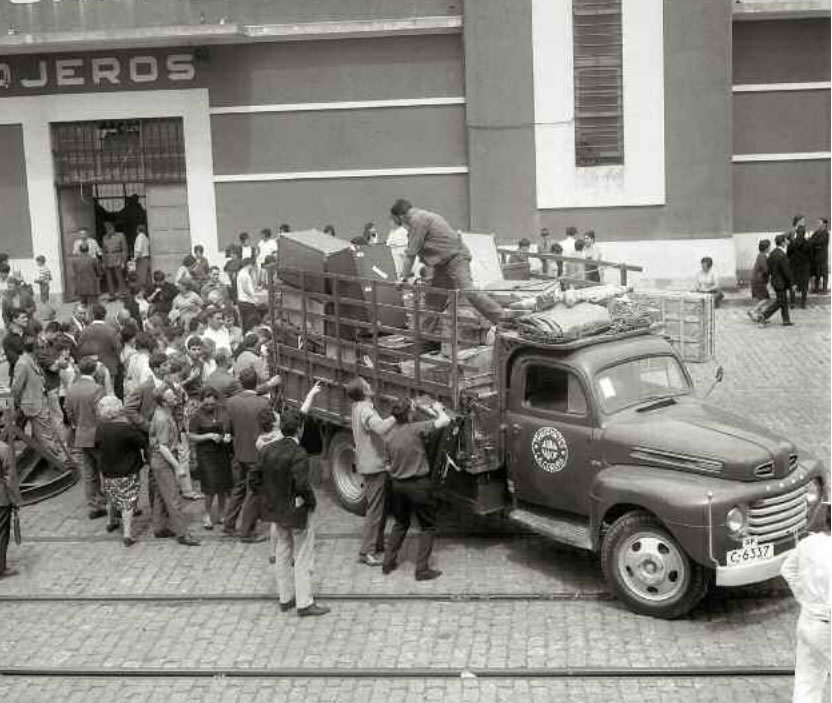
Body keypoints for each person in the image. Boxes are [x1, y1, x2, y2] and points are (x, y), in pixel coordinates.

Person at [251, 406, 329, 616]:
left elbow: (254, 479)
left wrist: (268, 497)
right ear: (300, 429)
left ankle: (285, 598)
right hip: (295, 511)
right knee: (302, 555)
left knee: (282, 551)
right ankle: (304, 603)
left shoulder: (267, 450)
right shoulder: (298, 453)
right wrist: (311, 502)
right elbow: (302, 485)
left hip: (276, 511)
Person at [391, 199, 504, 324]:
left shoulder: (417, 220)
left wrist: (402, 278)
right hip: (443, 263)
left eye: (395, 220)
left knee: (468, 290)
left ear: (401, 216)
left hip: (456, 258)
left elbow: (410, 254)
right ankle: (426, 337)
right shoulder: (423, 216)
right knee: (434, 298)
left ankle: (501, 319)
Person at [382, 397, 451, 580]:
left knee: (400, 523)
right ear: (410, 414)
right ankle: (421, 570)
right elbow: (445, 421)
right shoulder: (416, 429)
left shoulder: (388, 437)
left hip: (397, 486)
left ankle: (388, 563)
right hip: (419, 485)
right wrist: (438, 409)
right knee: (428, 526)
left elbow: (387, 466)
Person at [780, 504, 830, 703]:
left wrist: (803, 597)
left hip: (807, 620)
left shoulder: (809, 543)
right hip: (827, 626)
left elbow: (787, 570)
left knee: (807, 683)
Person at [347, 377, 395, 566]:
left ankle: (377, 543)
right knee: (374, 511)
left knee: (378, 508)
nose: (370, 386)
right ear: (364, 392)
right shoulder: (366, 410)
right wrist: (396, 416)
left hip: (368, 464)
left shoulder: (357, 407)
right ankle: (366, 552)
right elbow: (381, 428)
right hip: (374, 467)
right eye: (367, 385)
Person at [224, 368, 272, 541]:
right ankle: (246, 531)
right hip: (256, 455)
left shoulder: (231, 403)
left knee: (239, 488)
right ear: (256, 382)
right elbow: (269, 428)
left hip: (239, 452)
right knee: (253, 494)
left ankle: (229, 523)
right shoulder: (263, 404)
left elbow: (227, 428)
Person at [149, 386, 200, 546]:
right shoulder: (162, 419)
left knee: (159, 495)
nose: (175, 398)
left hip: (159, 460)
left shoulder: (163, 412)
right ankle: (182, 533)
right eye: (171, 397)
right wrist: (177, 466)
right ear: (164, 402)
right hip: (163, 461)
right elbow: (163, 447)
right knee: (172, 498)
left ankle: (159, 527)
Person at [95, 395, 146, 546]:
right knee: (128, 503)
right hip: (127, 471)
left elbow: (97, 446)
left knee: (111, 498)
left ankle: (111, 521)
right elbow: (141, 442)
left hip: (108, 470)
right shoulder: (126, 428)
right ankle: (127, 534)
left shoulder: (101, 428)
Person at [65, 355, 107, 518]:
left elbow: (68, 412)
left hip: (81, 434)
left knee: (89, 472)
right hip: (97, 435)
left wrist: (76, 424)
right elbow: (101, 413)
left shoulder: (71, 389)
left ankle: (93, 505)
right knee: (106, 470)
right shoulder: (97, 389)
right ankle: (112, 502)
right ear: (95, 370)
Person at [189, 387, 234, 530]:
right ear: (201, 401)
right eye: (206, 404)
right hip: (206, 453)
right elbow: (191, 435)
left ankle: (222, 513)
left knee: (223, 484)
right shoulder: (196, 416)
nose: (209, 406)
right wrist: (208, 436)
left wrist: (228, 436)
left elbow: (229, 429)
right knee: (210, 485)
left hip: (222, 451)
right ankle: (207, 514)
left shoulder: (222, 410)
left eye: (212, 404)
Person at [77, 303, 122, 392]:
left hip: (91, 369)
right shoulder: (111, 331)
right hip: (109, 368)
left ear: (92, 315)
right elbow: (118, 348)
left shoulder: (85, 331)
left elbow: (79, 349)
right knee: (108, 394)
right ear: (104, 315)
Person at [761, 234, 794, 326]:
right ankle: (764, 315)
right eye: (786, 240)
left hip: (775, 281)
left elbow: (769, 268)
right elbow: (786, 272)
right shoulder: (782, 255)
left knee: (783, 300)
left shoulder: (773, 253)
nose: (788, 242)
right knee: (780, 301)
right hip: (781, 282)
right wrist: (792, 283)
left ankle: (786, 320)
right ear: (783, 242)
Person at [0, 439, 20, 580]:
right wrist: (14, 499)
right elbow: (9, 477)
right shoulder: (3, 449)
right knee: (2, 534)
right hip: (1, 499)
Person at [788, 225, 812, 309]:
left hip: (794, 267)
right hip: (805, 267)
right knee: (804, 286)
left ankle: (792, 303)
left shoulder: (792, 242)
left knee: (793, 284)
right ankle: (803, 303)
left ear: (797, 233)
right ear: (804, 233)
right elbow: (811, 256)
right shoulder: (808, 243)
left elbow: (788, 254)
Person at [748, 239, 772, 324]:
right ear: (766, 248)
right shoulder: (762, 256)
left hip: (756, 279)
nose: (770, 248)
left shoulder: (760, 255)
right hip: (759, 280)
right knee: (765, 298)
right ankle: (753, 311)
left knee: (760, 299)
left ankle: (760, 316)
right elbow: (766, 269)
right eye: (769, 246)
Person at [101, 222, 128, 298]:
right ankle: (111, 294)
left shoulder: (120, 236)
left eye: (110, 228)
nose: (108, 230)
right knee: (109, 278)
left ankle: (122, 292)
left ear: (113, 228)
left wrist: (123, 261)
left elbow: (124, 249)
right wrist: (103, 262)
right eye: (107, 229)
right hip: (108, 258)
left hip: (117, 257)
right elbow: (103, 251)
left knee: (119, 276)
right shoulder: (104, 237)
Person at [3, 308, 28, 380]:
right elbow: (13, 360)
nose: (26, 319)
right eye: (23, 317)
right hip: (18, 377)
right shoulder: (8, 340)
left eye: (27, 317)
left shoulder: (29, 335)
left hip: (34, 378)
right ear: (14, 319)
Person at [236, 257, 260, 333]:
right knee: (250, 322)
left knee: (245, 321)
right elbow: (245, 288)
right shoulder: (244, 274)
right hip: (247, 301)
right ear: (249, 265)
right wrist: (254, 298)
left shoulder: (241, 273)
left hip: (243, 301)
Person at [809, 217, 829, 294]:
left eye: (819, 222)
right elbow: (811, 240)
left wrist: (812, 243)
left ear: (824, 224)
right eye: (817, 222)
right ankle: (816, 289)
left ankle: (824, 289)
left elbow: (820, 243)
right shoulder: (816, 232)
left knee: (824, 273)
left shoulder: (825, 233)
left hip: (822, 257)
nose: (817, 224)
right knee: (817, 273)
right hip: (816, 256)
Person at [133, 224, 151, 290]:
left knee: (141, 276)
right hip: (146, 258)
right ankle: (147, 289)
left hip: (141, 258)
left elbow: (138, 249)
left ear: (138, 230)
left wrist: (135, 258)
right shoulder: (145, 237)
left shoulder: (139, 237)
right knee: (146, 275)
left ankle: (142, 291)